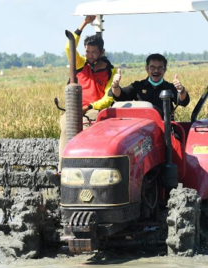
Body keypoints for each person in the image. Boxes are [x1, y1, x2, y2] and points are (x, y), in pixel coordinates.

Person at [47, 15, 117, 183]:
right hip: (75, 109)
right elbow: (68, 48)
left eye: (93, 52)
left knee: (86, 130)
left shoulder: (110, 71)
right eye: (87, 51)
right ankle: (62, 170)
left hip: (95, 110)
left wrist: (89, 107)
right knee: (67, 128)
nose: (90, 55)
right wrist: (84, 24)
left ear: (101, 52)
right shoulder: (80, 64)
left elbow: (108, 98)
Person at [110, 53, 190, 119]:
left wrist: (181, 89)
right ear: (147, 68)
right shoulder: (138, 86)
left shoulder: (169, 87)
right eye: (152, 67)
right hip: (142, 127)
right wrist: (115, 85)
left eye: (160, 67)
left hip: (165, 128)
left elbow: (183, 101)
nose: (156, 70)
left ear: (164, 70)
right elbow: (120, 96)